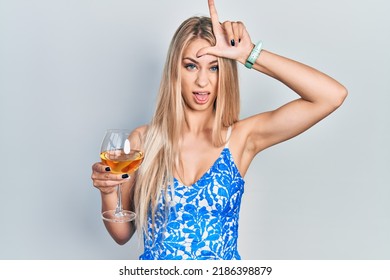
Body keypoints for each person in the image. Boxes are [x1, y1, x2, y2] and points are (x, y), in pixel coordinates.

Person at [91, 0, 347, 260]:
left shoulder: (240, 138)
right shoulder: (144, 140)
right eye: (191, 65)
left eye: (213, 67)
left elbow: (331, 96)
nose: (202, 81)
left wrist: (248, 55)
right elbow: (122, 234)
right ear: (174, 71)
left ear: (224, 72)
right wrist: (108, 192)